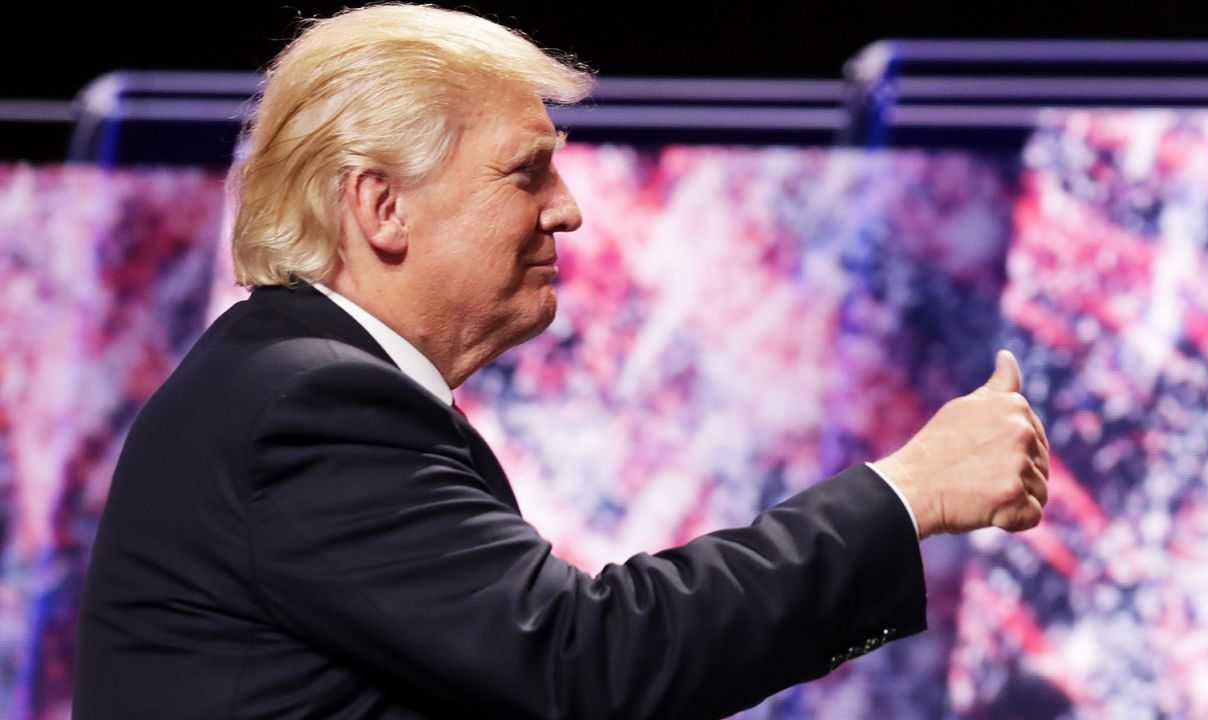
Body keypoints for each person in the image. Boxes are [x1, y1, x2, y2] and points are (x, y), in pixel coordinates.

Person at [73, 5, 1050, 719]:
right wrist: (903, 493)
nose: (568, 207)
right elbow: (582, 663)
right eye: (524, 170)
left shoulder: (288, 381)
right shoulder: (308, 405)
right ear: (380, 208)